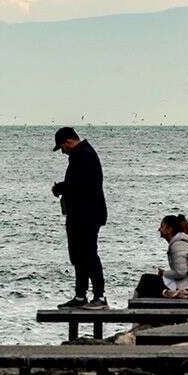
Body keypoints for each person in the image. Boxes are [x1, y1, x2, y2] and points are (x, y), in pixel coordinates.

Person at [51, 127, 108, 310]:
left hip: (87, 215)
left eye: (62, 147)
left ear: (68, 141)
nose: (62, 151)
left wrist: (61, 188)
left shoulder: (83, 155)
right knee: (79, 255)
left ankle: (99, 296)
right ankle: (80, 295)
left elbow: (82, 186)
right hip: (81, 214)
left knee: (88, 254)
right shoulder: (82, 154)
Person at [137, 214, 188, 298]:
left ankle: (136, 307)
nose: (159, 229)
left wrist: (164, 273)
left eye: (162, 226)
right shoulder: (180, 243)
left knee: (146, 280)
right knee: (149, 282)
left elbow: (181, 273)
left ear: (169, 229)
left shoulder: (178, 245)